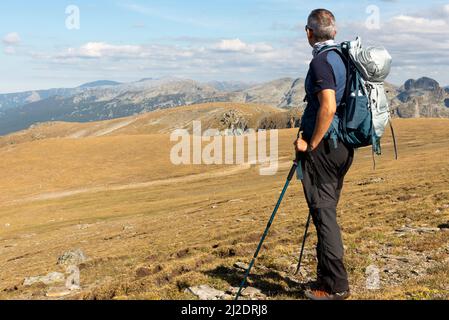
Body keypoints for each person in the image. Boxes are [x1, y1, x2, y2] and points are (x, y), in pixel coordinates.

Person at [294, 8, 353, 300]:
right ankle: (325, 279)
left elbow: (327, 106)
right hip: (342, 148)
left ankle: (338, 287)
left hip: (325, 150)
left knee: (324, 214)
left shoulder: (320, 62)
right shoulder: (343, 57)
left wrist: (311, 144)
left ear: (309, 32)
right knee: (324, 211)